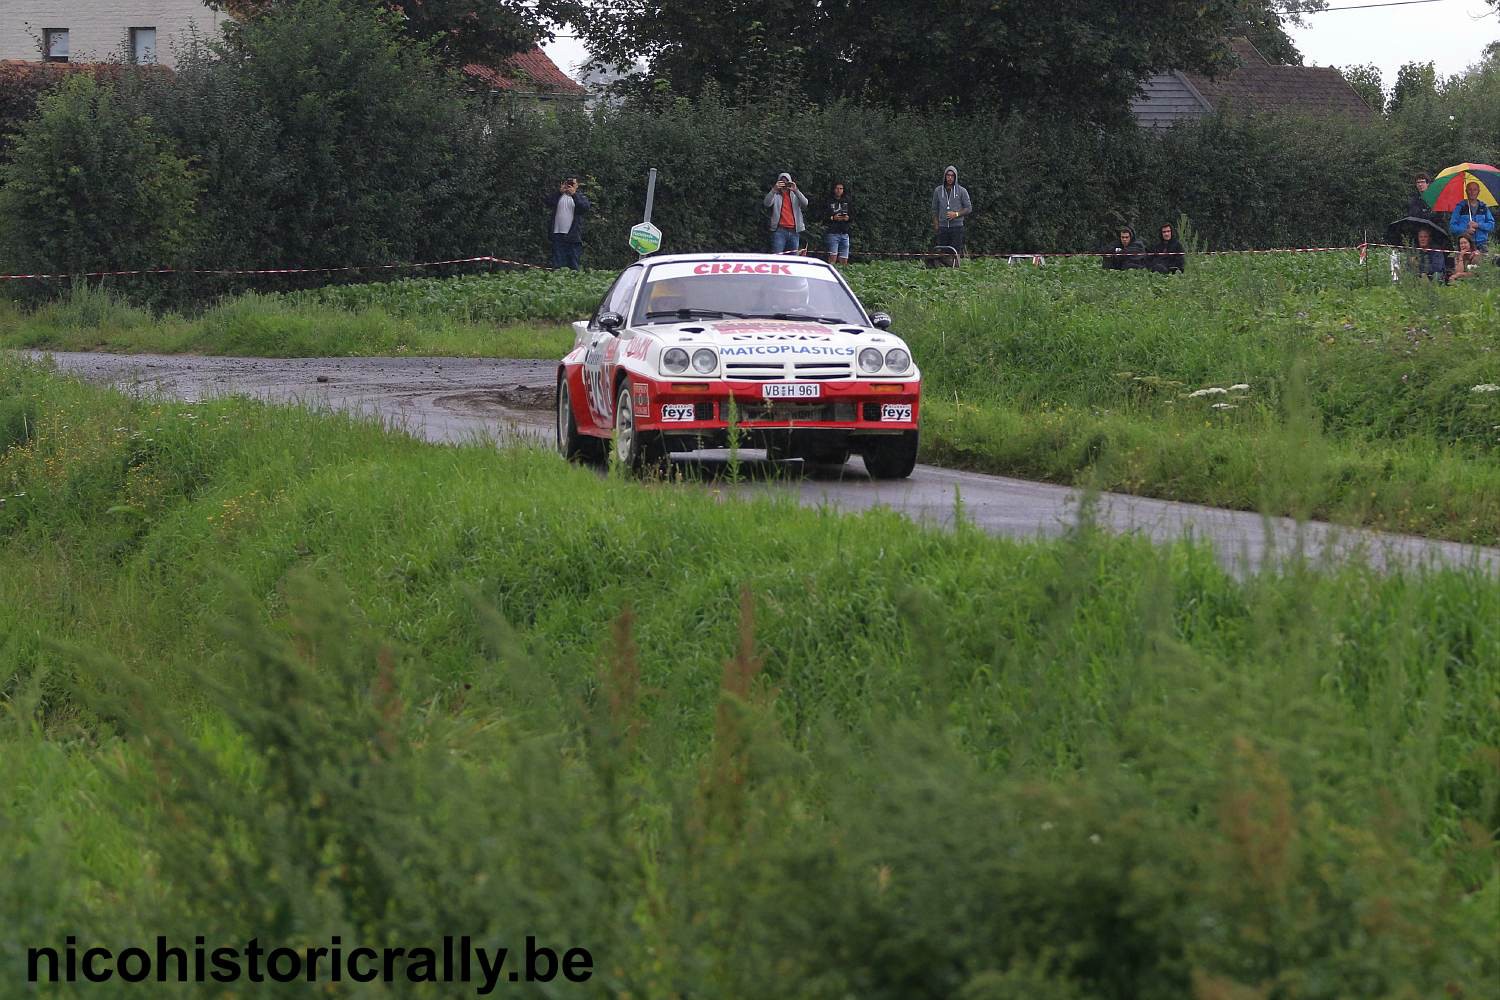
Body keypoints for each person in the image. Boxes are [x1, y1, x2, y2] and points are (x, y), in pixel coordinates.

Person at [545, 177, 590, 271]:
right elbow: (548, 202)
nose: (569, 185)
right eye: (567, 183)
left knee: (573, 261)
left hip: (572, 234)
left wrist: (574, 194)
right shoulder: (558, 196)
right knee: (558, 261)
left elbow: (584, 207)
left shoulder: (580, 197)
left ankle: (573, 280)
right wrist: (559, 192)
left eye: (572, 183)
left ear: (577, 185)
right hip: (557, 233)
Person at [931, 166, 972, 258]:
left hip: (957, 227)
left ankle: (955, 269)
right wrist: (936, 225)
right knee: (942, 254)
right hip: (943, 227)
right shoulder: (938, 191)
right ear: (945, 176)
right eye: (948, 175)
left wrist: (956, 214)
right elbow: (934, 209)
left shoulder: (962, 191)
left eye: (952, 176)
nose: (950, 178)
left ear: (955, 177)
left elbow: (968, 208)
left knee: (955, 253)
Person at [764, 173, 808, 254]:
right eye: (782, 182)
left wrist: (796, 190)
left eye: (786, 182)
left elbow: (805, 203)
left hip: (794, 231)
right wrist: (774, 189)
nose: (784, 184)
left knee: (793, 258)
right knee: (777, 256)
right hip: (780, 230)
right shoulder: (776, 195)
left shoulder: (795, 195)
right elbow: (767, 203)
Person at [1448, 181, 1494, 254]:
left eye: (1475, 189)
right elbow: (1452, 226)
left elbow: (1491, 226)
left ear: (1478, 191)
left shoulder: (1484, 207)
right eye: (1470, 189)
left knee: (1481, 264)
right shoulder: (1460, 207)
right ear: (1466, 191)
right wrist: (1465, 231)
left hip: (1481, 245)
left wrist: (1478, 225)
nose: (1472, 192)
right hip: (1464, 245)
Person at [824, 181, 852, 265]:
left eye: (841, 188)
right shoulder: (828, 201)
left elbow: (853, 215)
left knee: (844, 259)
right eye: (837, 188)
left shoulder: (847, 201)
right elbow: (822, 216)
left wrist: (848, 218)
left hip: (844, 233)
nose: (839, 190)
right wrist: (833, 218)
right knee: (832, 258)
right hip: (832, 233)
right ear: (834, 189)